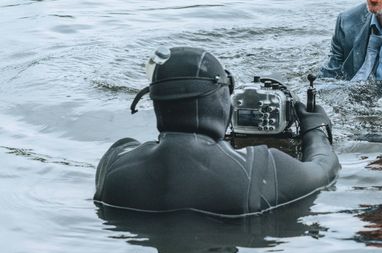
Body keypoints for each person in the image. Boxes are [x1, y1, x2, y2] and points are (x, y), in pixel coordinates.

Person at [94, 46, 340, 216]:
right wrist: (315, 127)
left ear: (156, 101)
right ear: (221, 102)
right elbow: (324, 169)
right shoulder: (260, 169)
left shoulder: (113, 167)